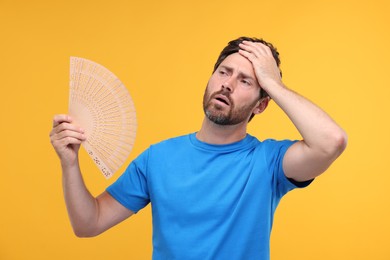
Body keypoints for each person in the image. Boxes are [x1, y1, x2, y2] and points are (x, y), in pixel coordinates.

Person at [50, 36, 347, 259]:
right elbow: (89, 223)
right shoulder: (157, 158)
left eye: (245, 80)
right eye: (223, 72)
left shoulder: (269, 163)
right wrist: (69, 163)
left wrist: (274, 83)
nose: (227, 84)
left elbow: (330, 142)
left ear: (262, 104)